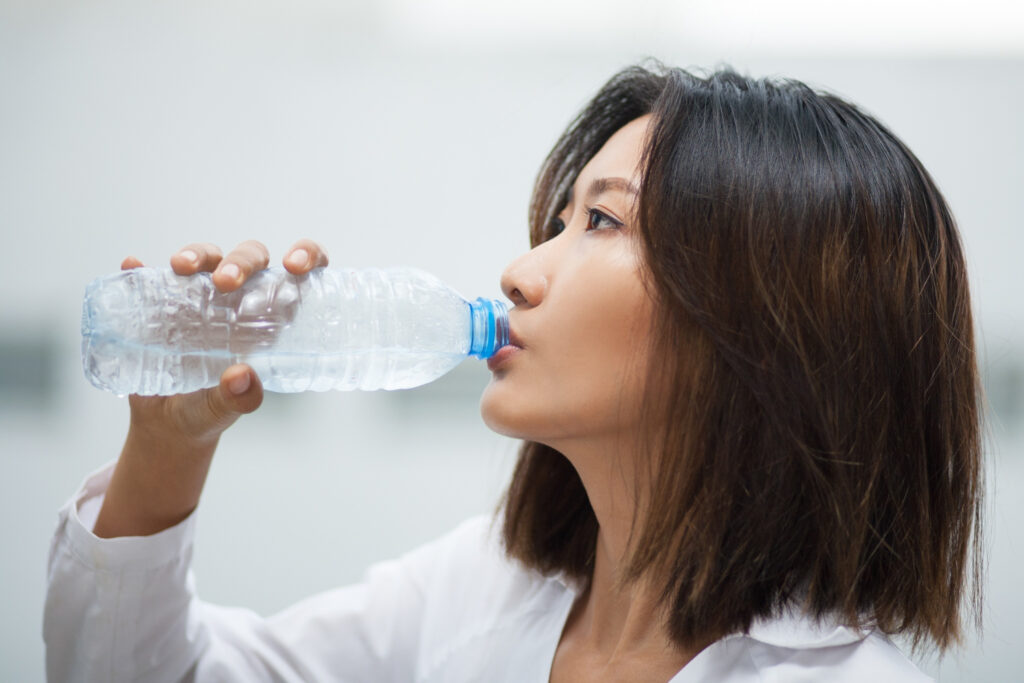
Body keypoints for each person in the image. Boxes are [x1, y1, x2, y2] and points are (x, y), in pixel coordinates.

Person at [44, 64, 983, 682]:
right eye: (560, 220)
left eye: (603, 223)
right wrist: (167, 446)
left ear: (764, 321)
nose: (521, 269)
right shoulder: (482, 590)